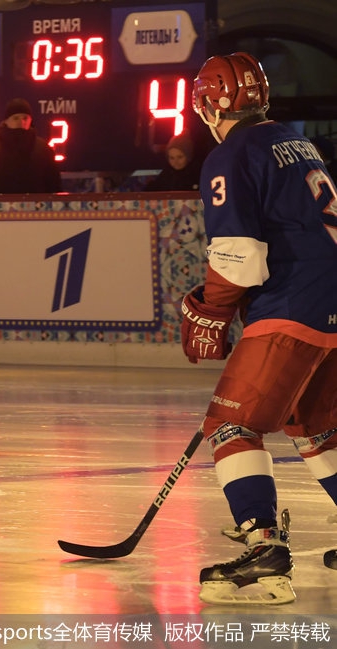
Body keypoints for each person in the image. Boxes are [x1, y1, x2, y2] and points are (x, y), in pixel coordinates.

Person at [180, 51, 337, 605]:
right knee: (316, 429)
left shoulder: (231, 154)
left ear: (207, 102)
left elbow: (240, 257)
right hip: (332, 300)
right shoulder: (297, 140)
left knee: (231, 427)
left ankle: (264, 550)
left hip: (291, 306)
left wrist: (211, 307)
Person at [0, 98, 62, 194]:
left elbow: (54, 186)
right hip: (1, 208)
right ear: (6, 121)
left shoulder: (44, 150)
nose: (21, 122)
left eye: (25, 118)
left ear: (30, 121)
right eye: (16, 118)